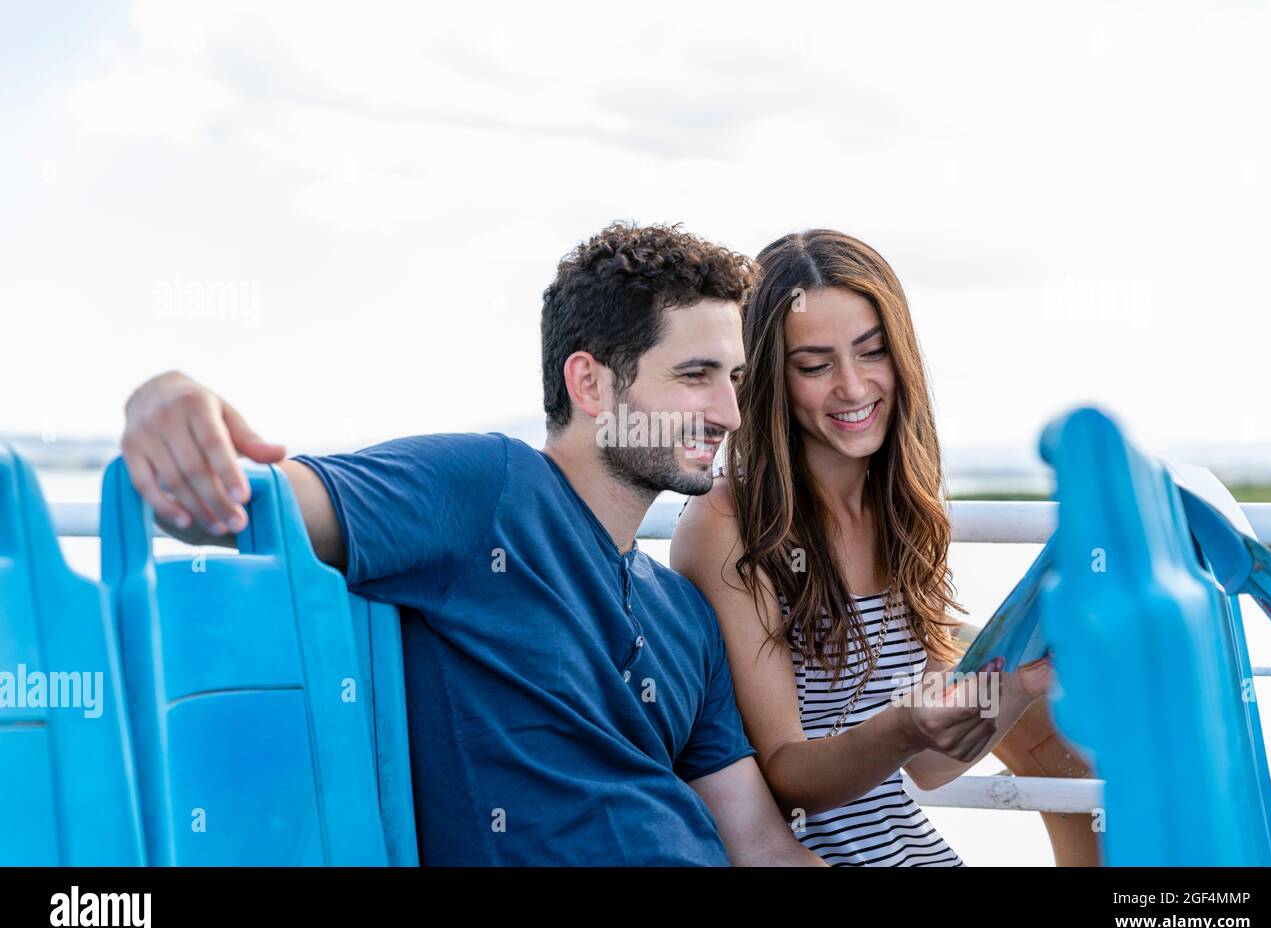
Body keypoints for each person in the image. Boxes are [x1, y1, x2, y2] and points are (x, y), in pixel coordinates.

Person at [118, 222, 823, 866]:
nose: (729, 413)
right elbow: (238, 510)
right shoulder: (484, 492)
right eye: (695, 376)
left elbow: (759, 843)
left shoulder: (684, 615)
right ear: (590, 383)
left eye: (734, 380)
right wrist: (164, 400)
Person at [671, 229, 1098, 866]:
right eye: (815, 366)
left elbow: (928, 765)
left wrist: (1027, 683)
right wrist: (901, 724)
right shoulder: (728, 522)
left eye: (871, 353)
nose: (852, 386)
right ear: (767, 380)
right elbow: (790, 778)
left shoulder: (905, 513)